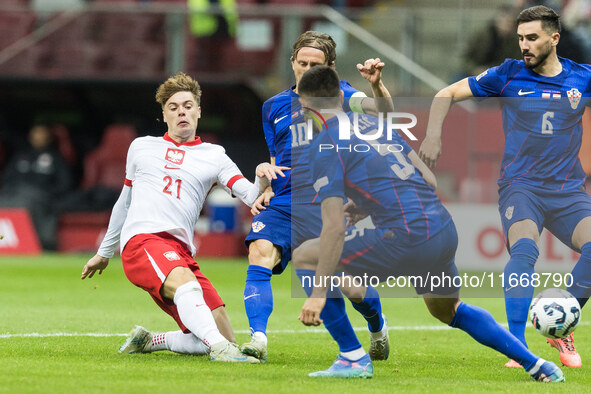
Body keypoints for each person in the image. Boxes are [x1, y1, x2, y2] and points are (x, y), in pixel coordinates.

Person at [295, 65, 565, 382]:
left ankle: (352, 357)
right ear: (342, 97)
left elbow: (334, 228)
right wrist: (368, 203)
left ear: (305, 109)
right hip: (441, 229)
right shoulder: (375, 126)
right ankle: (537, 364)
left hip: (405, 236)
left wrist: (317, 293)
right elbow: (428, 178)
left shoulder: (324, 146)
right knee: (446, 310)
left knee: (306, 256)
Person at [418, 5, 591, 368]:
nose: (524, 45)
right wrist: (433, 137)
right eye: (520, 39)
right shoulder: (507, 74)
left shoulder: (582, 77)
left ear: (554, 38)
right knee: (524, 251)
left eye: (532, 38)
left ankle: (560, 322)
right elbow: (445, 94)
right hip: (521, 186)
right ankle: (518, 344)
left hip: (567, 190)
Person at [81, 72, 287, 363]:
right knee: (193, 297)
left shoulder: (214, 155)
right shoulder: (141, 147)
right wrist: (104, 252)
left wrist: (261, 176)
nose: (182, 112)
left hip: (180, 252)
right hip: (143, 242)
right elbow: (124, 201)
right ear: (164, 114)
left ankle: (151, 340)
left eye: (188, 106)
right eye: (174, 107)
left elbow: (252, 196)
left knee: (217, 331)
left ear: (199, 112)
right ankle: (222, 352)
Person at [240, 30, 394, 362]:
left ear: (331, 67)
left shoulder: (343, 95)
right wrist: (266, 185)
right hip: (285, 203)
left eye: (316, 64)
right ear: (292, 62)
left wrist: (377, 84)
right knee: (260, 251)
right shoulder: (272, 107)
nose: (308, 69)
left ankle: (377, 325)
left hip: (330, 201)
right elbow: (277, 156)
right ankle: (258, 339)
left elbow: (383, 111)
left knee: (349, 288)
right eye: (302, 62)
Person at [0, 123, 72, 250]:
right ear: (30, 137)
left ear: (48, 137)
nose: (38, 137)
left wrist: (45, 194)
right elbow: (6, 180)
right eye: (35, 134)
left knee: (26, 202)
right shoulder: (20, 157)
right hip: (13, 195)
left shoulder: (56, 159)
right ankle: (7, 241)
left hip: (41, 198)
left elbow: (65, 185)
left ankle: (36, 242)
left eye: (41, 134)